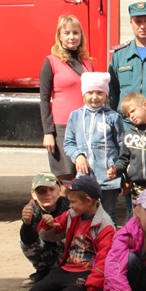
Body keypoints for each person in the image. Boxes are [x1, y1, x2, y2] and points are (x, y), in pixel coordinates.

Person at [26, 176, 115, 291]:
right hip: (67, 267)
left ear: (88, 201)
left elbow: (104, 260)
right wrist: (48, 223)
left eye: (73, 202)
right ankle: (67, 290)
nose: (70, 205)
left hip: (87, 271)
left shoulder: (105, 225)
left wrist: (92, 288)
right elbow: (50, 235)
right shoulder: (72, 214)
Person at [63, 72, 124, 225]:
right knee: (85, 213)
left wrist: (119, 170)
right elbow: (68, 143)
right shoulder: (75, 116)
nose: (95, 96)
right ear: (84, 94)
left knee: (109, 214)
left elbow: (122, 146)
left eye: (99, 92)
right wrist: (78, 156)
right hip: (84, 179)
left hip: (108, 178)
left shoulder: (113, 117)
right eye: (90, 92)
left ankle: (110, 247)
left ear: (106, 94)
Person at [39, 14, 94, 183]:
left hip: (86, 126)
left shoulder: (87, 63)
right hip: (62, 128)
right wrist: (48, 132)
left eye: (76, 33)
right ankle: (65, 210)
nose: (72, 37)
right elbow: (44, 98)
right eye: (67, 33)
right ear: (59, 36)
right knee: (66, 178)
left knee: (85, 177)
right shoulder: (51, 62)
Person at [107, 93, 146, 203]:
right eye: (128, 115)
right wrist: (116, 169)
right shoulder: (129, 134)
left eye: (133, 111)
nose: (131, 116)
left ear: (145, 105)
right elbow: (124, 159)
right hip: (138, 188)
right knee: (140, 218)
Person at [19, 172, 70, 287]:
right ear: (33, 194)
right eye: (41, 191)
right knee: (25, 244)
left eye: (51, 189)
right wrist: (27, 223)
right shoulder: (32, 209)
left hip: (69, 256)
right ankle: (43, 272)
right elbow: (28, 241)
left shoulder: (69, 206)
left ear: (59, 190)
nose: (47, 194)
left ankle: (64, 272)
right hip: (46, 251)